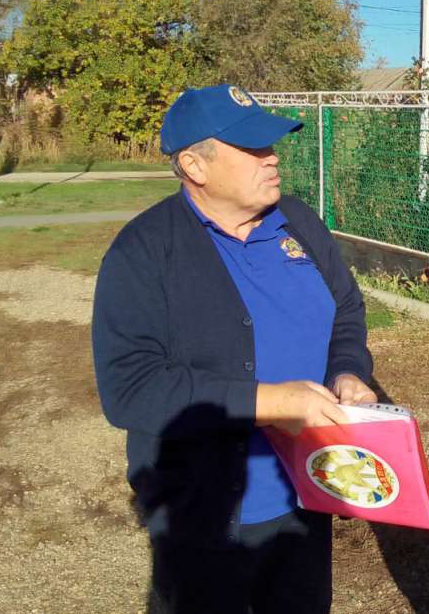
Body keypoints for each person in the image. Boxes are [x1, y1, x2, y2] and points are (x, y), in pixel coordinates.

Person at [92, 84, 376, 614]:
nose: (272, 158)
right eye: (251, 148)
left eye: (269, 144)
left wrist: (347, 370)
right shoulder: (143, 251)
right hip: (202, 515)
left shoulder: (298, 222)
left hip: (304, 498)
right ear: (193, 166)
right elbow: (130, 387)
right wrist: (272, 401)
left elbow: (345, 311)